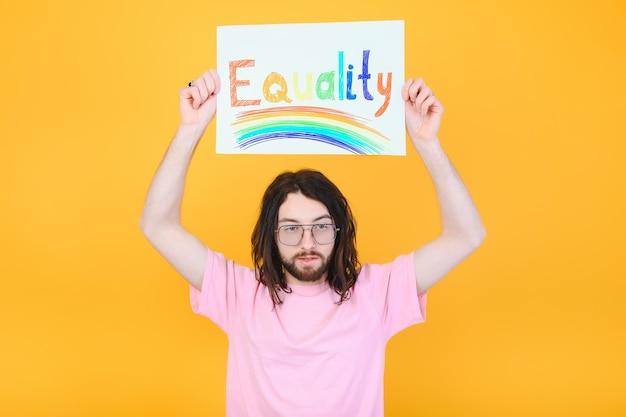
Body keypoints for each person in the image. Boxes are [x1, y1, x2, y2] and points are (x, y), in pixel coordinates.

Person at [140, 69, 485, 416]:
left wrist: (427, 142)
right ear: (271, 237)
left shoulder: (376, 294)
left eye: (320, 227)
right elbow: (157, 226)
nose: (307, 242)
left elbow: (467, 236)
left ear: (339, 232)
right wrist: (190, 129)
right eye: (290, 228)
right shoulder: (239, 293)